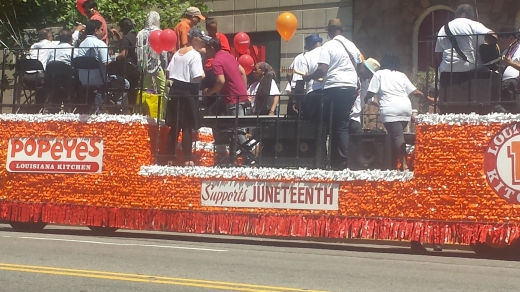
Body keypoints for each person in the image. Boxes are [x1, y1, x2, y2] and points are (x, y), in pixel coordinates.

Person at [304, 19, 363, 170]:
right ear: (341, 30)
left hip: (334, 87)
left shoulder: (328, 46)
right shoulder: (352, 45)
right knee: (342, 124)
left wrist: (308, 76)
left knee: (329, 124)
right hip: (350, 87)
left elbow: (322, 70)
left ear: (329, 32)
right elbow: (361, 68)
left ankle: (329, 161)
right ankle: (342, 161)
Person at [364, 53, 424, 171]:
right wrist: (427, 98)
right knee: (395, 136)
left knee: (397, 137)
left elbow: (371, 92)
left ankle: (404, 165)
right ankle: (391, 165)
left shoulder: (379, 74)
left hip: (390, 109)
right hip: (405, 108)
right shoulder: (401, 75)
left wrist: (366, 98)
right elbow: (414, 91)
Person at [166, 27, 208, 166]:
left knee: (174, 126)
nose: (204, 44)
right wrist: (203, 76)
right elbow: (197, 76)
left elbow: (168, 72)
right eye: (202, 41)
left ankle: (170, 158)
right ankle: (188, 159)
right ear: (195, 40)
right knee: (187, 127)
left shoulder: (178, 53)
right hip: (188, 91)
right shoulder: (195, 55)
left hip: (174, 89)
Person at [204, 38, 249, 162]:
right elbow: (243, 71)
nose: (207, 52)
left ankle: (248, 158)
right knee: (214, 110)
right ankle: (222, 145)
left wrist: (210, 92)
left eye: (207, 49)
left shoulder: (216, 61)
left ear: (212, 48)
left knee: (239, 129)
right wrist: (244, 91)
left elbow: (221, 81)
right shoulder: (229, 56)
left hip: (232, 98)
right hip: (235, 96)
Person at [77, 20, 110, 112]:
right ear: (96, 31)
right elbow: (106, 63)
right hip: (99, 81)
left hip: (83, 81)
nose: (103, 32)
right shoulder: (100, 44)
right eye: (101, 29)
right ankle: (119, 112)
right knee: (124, 83)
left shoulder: (81, 44)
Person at [137, 12, 168, 96]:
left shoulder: (140, 33)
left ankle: (145, 108)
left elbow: (138, 50)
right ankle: (162, 108)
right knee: (163, 88)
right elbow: (163, 52)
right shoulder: (159, 32)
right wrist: (165, 66)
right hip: (157, 64)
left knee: (146, 90)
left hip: (144, 64)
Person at [293, 34, 324, 120]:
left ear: (310, 46)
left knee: (312, 127)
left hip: (313, 94)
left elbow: (300, 82)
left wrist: (297, 101)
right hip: (331, 92)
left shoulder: (305, 56)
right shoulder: (329, 52)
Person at [350, 58, 380, 134]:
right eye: (370, 73)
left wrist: (382, 107)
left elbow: (371, 99)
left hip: (355, 118)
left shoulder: (366, 83)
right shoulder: (353, 78)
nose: (370, 76)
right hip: (348, 115)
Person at [499, 27, 520, 113]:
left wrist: (511, 63)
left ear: (511, 38)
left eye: (502, 38)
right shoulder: (505, 52)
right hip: (502, 84)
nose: (501, 41)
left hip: (513, 84)